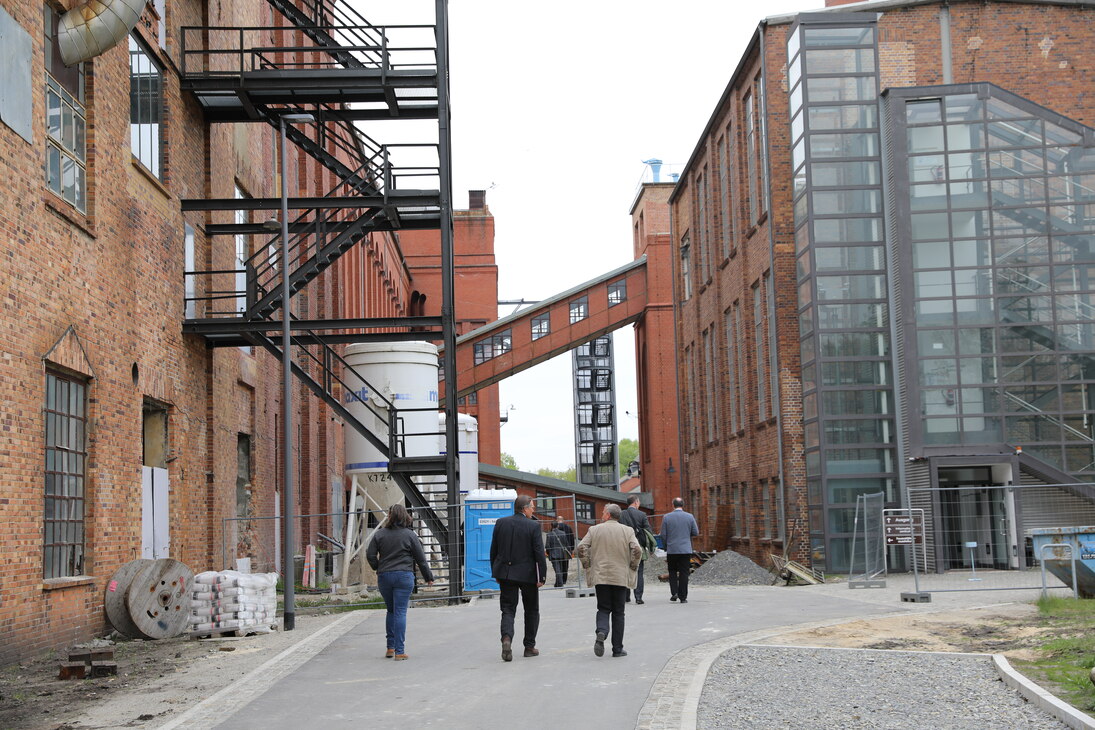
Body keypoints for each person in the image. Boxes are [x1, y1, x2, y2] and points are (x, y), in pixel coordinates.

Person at [365, 503, 435, 660]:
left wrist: (378, 567)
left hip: (385, 576)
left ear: (390, 516)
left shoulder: (380, 534)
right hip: (404, 576)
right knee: (400, 612)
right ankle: (400, 651)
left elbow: (370, 555)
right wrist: (428, 577)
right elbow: (421, 559)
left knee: (391, 610)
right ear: (405, 516)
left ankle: (390, 648)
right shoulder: (410, 535)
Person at [576, 503, 642, 658]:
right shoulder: (627, 531)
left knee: (603, 608)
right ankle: (617, 649)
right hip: (620, 576)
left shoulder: (594, 530)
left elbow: (581, 547)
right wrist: (632, 565)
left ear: (608, 515)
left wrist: (587, 564)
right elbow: (637, 549)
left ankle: (601, 631)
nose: (601, 515)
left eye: (603, 512)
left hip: (601, 575)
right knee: (619, 612)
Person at [490, 495, 548, 661]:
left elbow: (494, 549)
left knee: (508, 609)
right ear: (524, 508)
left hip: (506, 574)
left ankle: (507, 638)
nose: (533, 510)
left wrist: (496, 572)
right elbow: (539, 554)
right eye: (532, 507)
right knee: (531, 610)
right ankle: (529, 647)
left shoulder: (501, 523)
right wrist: (541, 576)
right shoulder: (533, 526)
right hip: (528, 576)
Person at [660, 497, 699, 604]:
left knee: (672, 571)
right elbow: (695, 532)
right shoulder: (689, 517)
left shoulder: (667, 517)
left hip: (672, 549)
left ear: (673, 505)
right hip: (685, 549)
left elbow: (663, 535)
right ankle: (683, 597)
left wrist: (666, 546)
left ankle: (674, 593)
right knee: (684, 572)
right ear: (683, 505)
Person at [618, 494, 653, 604]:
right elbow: (648, 531)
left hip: (624, 548)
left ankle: (626, 597)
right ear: (636, 502)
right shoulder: (642, 514)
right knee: (639, 572)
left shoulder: (621, 515)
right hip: (638, 547)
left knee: (625, 571)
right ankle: (638, 597)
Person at [545, 522, 571, 587]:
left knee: (557, 569)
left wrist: (548, 553)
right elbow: (566, 544)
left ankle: (560, 583)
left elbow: (547, 546)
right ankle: (558, 583)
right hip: (562, 553)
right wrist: (569, 551)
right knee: (561, 569)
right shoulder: (563, 533)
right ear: (558, 526)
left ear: (551, 526)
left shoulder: (549, 534)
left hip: (553, 554)